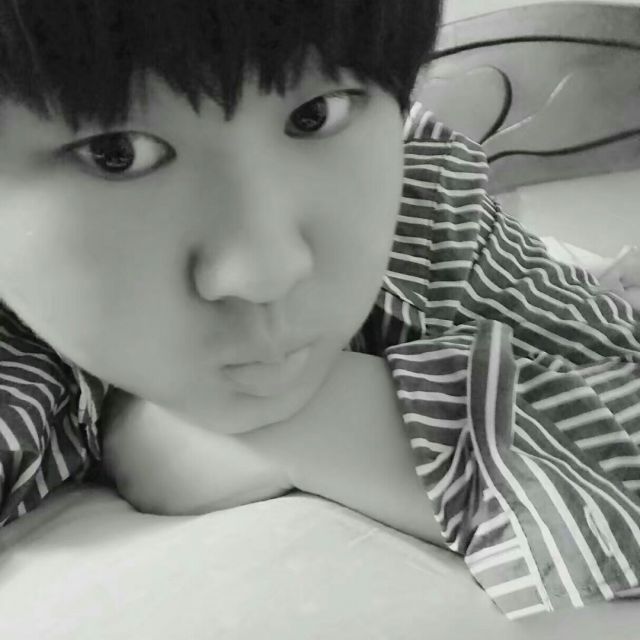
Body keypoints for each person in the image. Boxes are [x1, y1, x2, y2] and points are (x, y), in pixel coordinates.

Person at [0, 0, 639, 620]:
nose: (266, 269)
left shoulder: (426, 209)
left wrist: (331, 422)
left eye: (314, 116)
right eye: (116, 154)